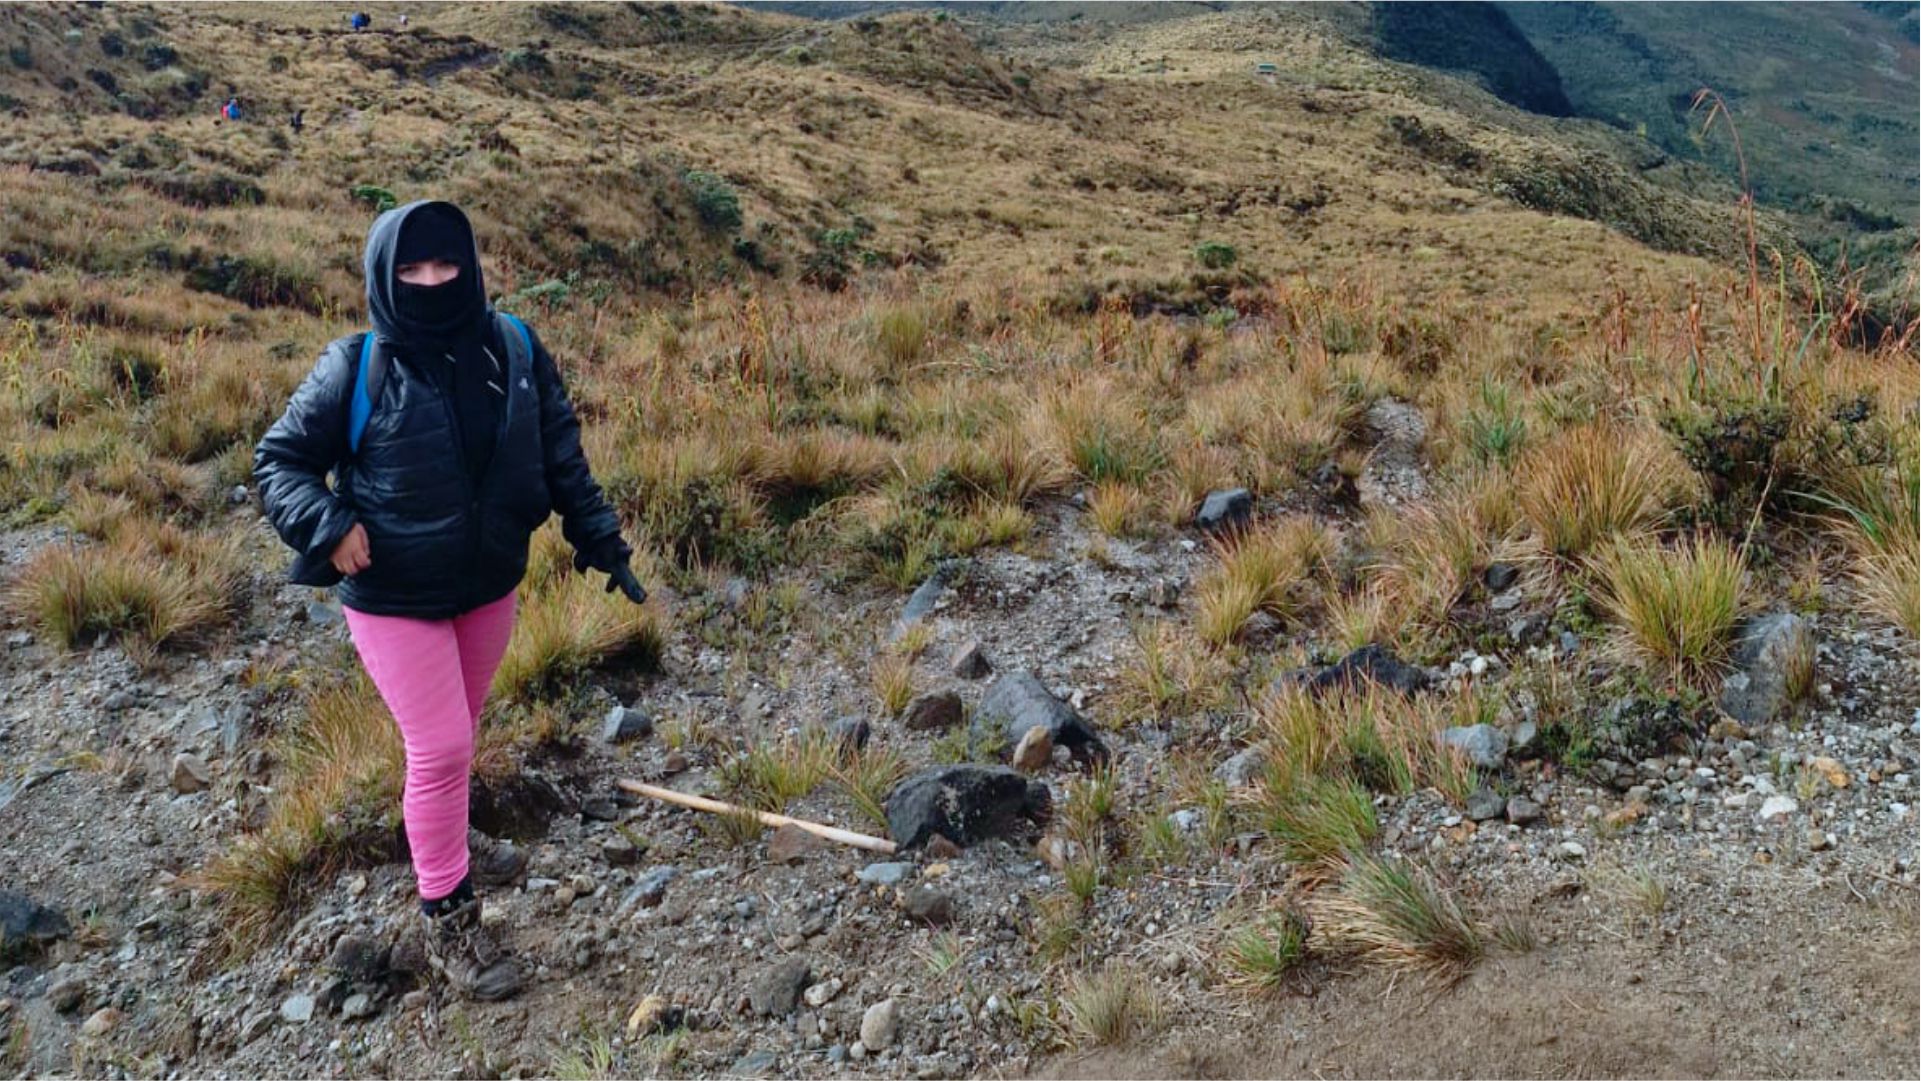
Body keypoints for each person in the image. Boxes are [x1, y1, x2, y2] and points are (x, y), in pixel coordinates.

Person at [254, 201, 646, 1001]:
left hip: (487, 583)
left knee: (458, 737)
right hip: (394, 596)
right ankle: (448, 916)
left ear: (469, 266)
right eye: (411, 268)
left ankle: (450, 837)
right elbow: (278, 462)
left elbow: (561, 454)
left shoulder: (513, 347)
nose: (432, 281)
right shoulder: (354, 365)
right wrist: (329, 525)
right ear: (383, 274)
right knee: (438, 747)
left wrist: (600, 537)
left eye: (446, 265)